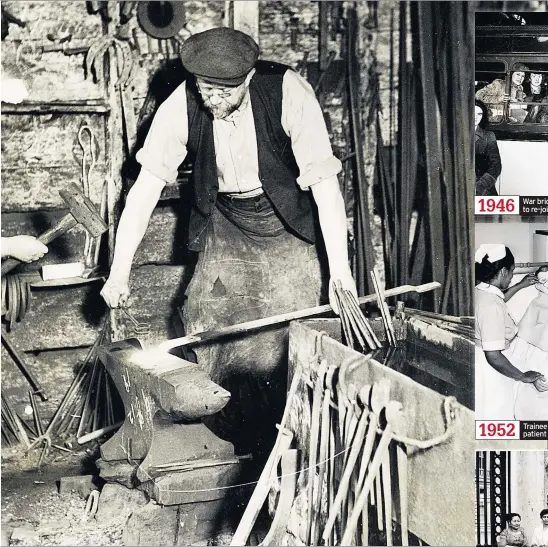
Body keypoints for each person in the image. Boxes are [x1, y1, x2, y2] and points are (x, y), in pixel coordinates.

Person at [100, 27, 359, 454]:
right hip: (226, 224)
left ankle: (296, 445)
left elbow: (326, 188)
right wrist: (120, 271)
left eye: (225, 91)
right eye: (206, 89)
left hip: (286, 225)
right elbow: (145, 189)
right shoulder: (182, 103)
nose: (213, 99)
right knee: (206, 321)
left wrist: (342, 273)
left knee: (296, 336)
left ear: (249, 77)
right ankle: (228, 443)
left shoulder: (287, 91)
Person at [475, 244, 545, 420]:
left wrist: (520, 286)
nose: (512, 277)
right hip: (491, 367)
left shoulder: (480, 291)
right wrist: (523, 376)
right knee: (497, 412)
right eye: (512, 272)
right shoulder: (491, 307)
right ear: (504, 272)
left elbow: (499, 298)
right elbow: (494, 356)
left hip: (485, 357)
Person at [513, 266, 548, 419]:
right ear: (538, 285)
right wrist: (532, 378)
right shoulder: (537, 304)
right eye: (543, 281)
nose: (546, 284)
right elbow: (522, 343)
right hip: (540, 362)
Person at [475, 100, 502, 196]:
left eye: (479, 114)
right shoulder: (454, 136)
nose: (475, 117)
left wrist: (481, 186)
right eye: (472, 113)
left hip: (483, 189)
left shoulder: (489, 136)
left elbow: (496, 165)